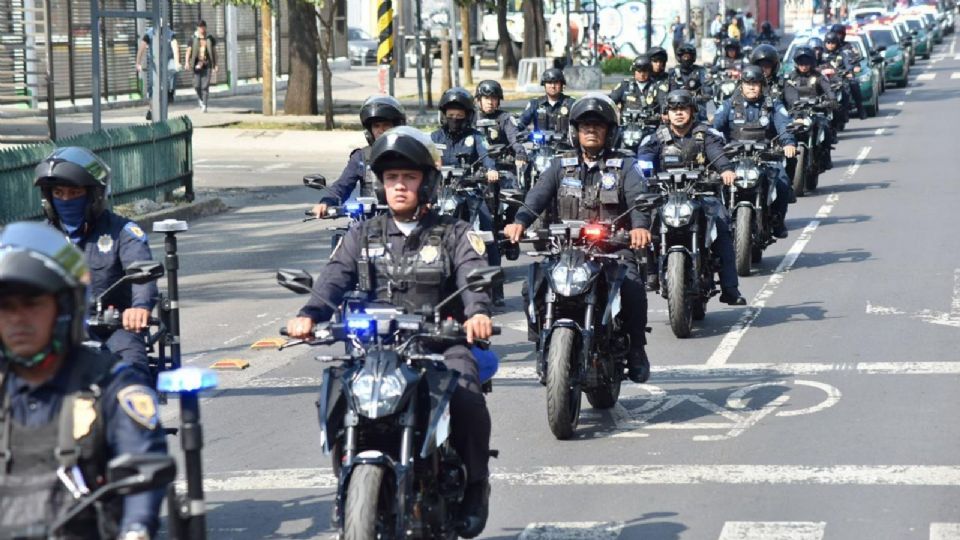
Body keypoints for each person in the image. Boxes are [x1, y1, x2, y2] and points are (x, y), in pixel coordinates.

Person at [286, 126, 495, 538]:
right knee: (333, 395)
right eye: (391, 178)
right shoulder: (362, 233)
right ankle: (346, 481)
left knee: (468, 396)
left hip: (439, 344)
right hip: (373, 348)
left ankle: (475, 485)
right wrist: (309, 314)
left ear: (427, 182)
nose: (399, 186)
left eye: (409, 177)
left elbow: (474, 276)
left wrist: (477, 314)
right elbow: (334, 277)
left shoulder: (454, 232)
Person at [0, 221, 167, 539]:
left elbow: (142, 461)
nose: (17, 319)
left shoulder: (108, 385)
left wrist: (136, 530)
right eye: (6, 307)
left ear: (63, 307)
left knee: (133, 355)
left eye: (32, 304)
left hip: (81, 532)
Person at [502, 93, 653, 384]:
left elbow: (639, 200)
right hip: (565, 249)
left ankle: (637, 348)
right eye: (585, 126)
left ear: (609, 131)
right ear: (575, 131)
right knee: (531, 286)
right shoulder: (561, 165)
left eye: (598, 125)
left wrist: (639, 227)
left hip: (611, 250)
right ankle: (541, 345)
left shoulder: (625, 166)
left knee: (632, 285)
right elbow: (537, 197)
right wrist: (519, 222)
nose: (591, 130)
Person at [34, 147, 158, 373]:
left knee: (131, 368)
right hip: (54, 328)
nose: (65, 199)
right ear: (48, 198)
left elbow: (142, 272)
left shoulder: (123, 232)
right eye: (58, 193)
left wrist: (138, 308)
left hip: (114, 326)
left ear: (94, 195)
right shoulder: (38, 239)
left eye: (74, 193)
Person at [636, 89, 748, 306]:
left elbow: (717, 154)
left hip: (701, 195)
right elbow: (643, 162)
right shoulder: (655, 138)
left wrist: (725, 170)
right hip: (665, 196)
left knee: (722, 228)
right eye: (673, 109)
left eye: (683, 109)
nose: (678, 113)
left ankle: (729, 288)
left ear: (692, 111)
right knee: (643, 222)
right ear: (666, 113)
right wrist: (644, 175)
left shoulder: (705, 135)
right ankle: (650, 272)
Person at [431, 87, 503, 305]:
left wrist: (490, 170)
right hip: (441, 195)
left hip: (470, 194)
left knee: (487, 233)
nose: (454, 119)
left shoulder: (476, 137)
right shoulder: (434, 137)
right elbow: (422, 158)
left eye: (459, 116)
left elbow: (487, 157)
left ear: (467, 116)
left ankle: (494, 289)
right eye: (450, 115)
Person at [713, 66, 797, 238]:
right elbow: (714, 128)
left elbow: (784, 125)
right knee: (714, 185)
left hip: (765, 156)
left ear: (762, 85)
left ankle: (778, 220)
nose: (751, 87)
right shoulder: (729, 104)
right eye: (748, 83)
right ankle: (718, 227)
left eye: (756, 83)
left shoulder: (772, 104)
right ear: (741, 84)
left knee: (782, 181)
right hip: (735, 157)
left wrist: (788, 143)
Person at [311, 95, 407, 217]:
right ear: (369, 130)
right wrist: (327, 202)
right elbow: (342, 185)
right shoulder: (361, 157)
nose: (380, 130)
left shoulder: (410, 154)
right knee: (342, 236)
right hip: (369, 223)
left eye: (386, 125)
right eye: (376, 126)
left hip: (405, 220)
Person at [782, 46, 837, 170]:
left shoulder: (818, 76)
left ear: (812, 62)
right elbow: (783, 94)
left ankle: (826, 156)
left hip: (815, 111)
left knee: (826, 127)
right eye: (801, 62)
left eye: (806, 62)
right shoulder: (790, 77)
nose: (804, 65)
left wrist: (832, 100)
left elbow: (828, 89)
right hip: (794, 113)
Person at [475, 79, 527, 175]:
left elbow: (514, 137)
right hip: (476, 166)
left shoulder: (505, 118)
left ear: (498, 101)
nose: (490, 102)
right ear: (479, 100)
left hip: (502, 166)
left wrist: (520, 153)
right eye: (486, 98)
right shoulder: (471, 118)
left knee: (512, 187)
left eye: (493, 98)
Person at [136, 24, 179, 121]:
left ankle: (170, 91)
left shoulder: (169, 33)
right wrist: (138, 63)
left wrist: (177, 62)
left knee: (173, 68)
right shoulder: (149, 33)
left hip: (167, 61)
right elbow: (142, 48)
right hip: (154, 63)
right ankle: (151, 109)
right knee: (152, 85)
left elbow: (175, 47)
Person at [824, 27, 867, 120]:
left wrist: (853, 68)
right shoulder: (822, 53)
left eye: (839, 34)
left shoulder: (846, 48)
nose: (831, 44)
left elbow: (851, 60)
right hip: (826, 78)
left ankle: (859, 108)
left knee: (853, 82)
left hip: (841, 75)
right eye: (829, 42)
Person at [517, 68, 576, 133]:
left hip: (565, 142)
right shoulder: (535, 103)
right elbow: (522, 123)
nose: (553, 86)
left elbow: (580, 125)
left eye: (556, 82)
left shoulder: (571, 103)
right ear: (544, 84)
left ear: (562, 85)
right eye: (549, 82)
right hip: (540, 142)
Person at [669, 43, 711, 121]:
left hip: (695, 104)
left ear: (693, 58)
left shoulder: (700, 71)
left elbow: (707, 87)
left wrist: (705, 95)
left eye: (688, 57)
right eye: (684, 56)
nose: (687, 59)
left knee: (705, 115)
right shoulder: (672, 73)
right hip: (676, 105)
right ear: (679, 57)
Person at [184, 20, 218, 112]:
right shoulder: (193, 38)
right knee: (196, 85)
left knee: (205, 86)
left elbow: (214, 52)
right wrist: (187, 62)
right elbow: (188, 51)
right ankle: (201, 99)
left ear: (205, 27)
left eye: (203, 26)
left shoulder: (210, 38)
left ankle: (205, 105)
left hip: (207, 64)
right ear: (197, 28)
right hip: (196, 64)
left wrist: (215, 64)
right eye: (200, 27)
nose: (201, 29)